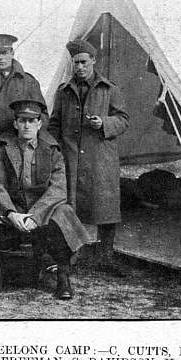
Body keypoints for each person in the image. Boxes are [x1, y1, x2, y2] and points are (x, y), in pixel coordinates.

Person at [0, 99, 96, 300]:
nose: (26, 126)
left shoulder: (51, 150)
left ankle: (63, 277)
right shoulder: (2, 149)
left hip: (41, 209)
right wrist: (11, 212)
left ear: (39, 124)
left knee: (64, 213)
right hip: (12, 208)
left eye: (32, 121)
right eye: (22, 121)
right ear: (15, 123)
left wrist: (36, 215)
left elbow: (58, 189)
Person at [48, 39, 130, 275]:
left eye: (84, 62)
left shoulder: (109, 89)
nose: (80, 67)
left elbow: (124, 119)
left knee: (105, 207)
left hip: (100, 159)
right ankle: (72, 255)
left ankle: (106, 256)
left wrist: (104, 122)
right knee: (71, 207)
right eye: (76, 63)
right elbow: (54, 123)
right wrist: (55, 150)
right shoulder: (63, 92)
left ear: (93, 61)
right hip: (71, 158)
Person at [0, 34, 49, 138]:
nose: (0, 57)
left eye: (4, 53)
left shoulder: (28, 82)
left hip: (16, 143)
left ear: (12, 53)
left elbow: (43, 116)